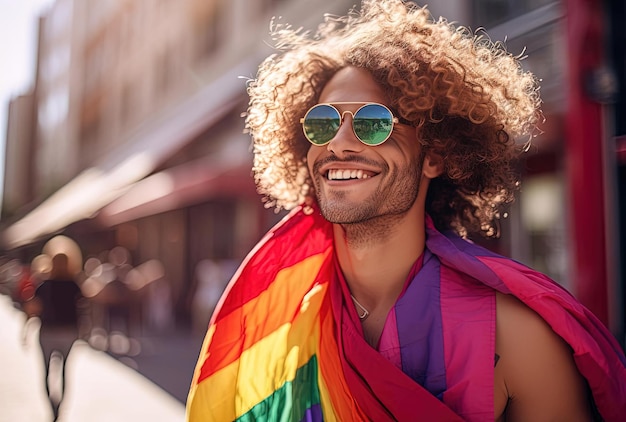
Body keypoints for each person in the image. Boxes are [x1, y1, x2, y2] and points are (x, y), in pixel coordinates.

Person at [186, 1, 626, 420]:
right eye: (322, 123)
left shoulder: (517, 338)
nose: (338, 143)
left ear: (435, 155)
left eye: (373, 123)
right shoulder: (277, 326)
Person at [33, 253, 84, 419]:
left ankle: (52, 407)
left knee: (46, 372)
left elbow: (34, 308)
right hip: (67, 332)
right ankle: (60, 408)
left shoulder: (43, 285)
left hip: (48, 332)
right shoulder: (74, 285)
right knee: (64, 372)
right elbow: (83, 307)